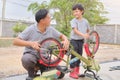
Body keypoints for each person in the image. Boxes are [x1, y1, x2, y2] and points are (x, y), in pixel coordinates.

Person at [13, 9, 69, 80]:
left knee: (60, 73)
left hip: (44, 58)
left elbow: (62, 36)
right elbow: (15, 41)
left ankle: (44, 72)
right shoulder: (31, 29)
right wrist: (31, 43)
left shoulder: (50, 29)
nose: (50, 19)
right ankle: (31, 75)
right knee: (27, 59)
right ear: (42, 20)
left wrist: (66, 40)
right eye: (48, 18)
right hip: (32, 55)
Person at [69, 3, 90, 79]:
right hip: (73, 40)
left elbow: (88, 30)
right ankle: (72, 72)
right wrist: (84, 35)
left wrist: (87, 34)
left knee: (79, 55)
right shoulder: (73, 21)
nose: (75, 13)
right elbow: (75, 31)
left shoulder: (86, 21)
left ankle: (77, 71)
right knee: (74, 55)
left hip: (80, 41)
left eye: (77, 11)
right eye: (74, 11)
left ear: (82, 11)